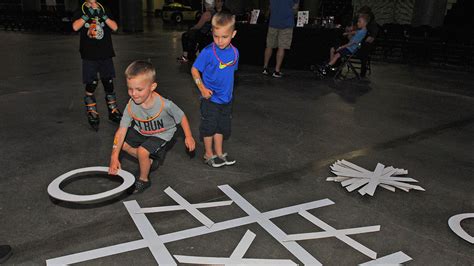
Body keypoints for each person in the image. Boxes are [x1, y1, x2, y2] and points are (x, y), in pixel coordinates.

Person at [108, 60, 196, 193]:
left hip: (161, 133)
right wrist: (114, 157)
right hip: (142, 131)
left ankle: (144, 179)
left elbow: (182, 116)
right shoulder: (131, 106)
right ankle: (147, 161)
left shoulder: (165, 105)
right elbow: (121, 131)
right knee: (124, 145)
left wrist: (188, 136)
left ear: (152, 86)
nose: (134, 93)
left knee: (143, 151)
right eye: (130, 89)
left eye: (139, 89)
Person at [191, 11, 239, 168]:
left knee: (221, 127)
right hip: (210, 99)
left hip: (226, 99)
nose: (219, 41)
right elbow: (194, 70)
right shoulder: (207, 52)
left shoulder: (235, 53)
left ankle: (219, 153)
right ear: (212, 32)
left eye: (224, 37)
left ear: (233, 34)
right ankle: (208, 154)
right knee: (209, 127)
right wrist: (202, 88)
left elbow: (230, 73)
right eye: (216, 36)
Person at [72, 0, 122, 131]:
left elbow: (115, 27)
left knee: (108, 81)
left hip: (105, 52)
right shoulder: (81, 9)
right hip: (89, 54)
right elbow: (75, 27)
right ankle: (91, 110)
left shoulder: (104, 9)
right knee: (92, 82)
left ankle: (113, 111)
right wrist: (87, 15)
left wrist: (102, 15)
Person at [262, 0, 299, 78]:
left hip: (273, 22)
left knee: (269, 46)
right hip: (287, 23)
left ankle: (265, 68)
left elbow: (270, 7)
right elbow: (295, 9)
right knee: (281, 47)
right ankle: (276, 71)